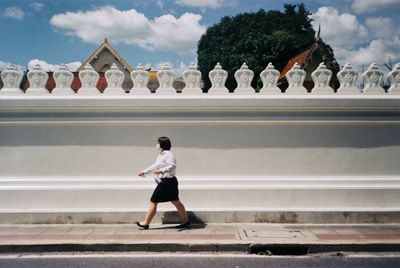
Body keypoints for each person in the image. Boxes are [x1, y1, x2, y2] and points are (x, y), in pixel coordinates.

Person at [135, 136, 190, 229]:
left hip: (167, 182)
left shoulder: (168, 154)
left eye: (158, 143)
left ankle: (146, 223)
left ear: (162, 145)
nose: (157, 145)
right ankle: (186, 221)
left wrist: (161, 170)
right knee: (176, 201)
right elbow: (155, 166)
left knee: (153, 201)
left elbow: (172, 166)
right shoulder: (161, 155)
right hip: (169, 182)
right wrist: (144, 172)